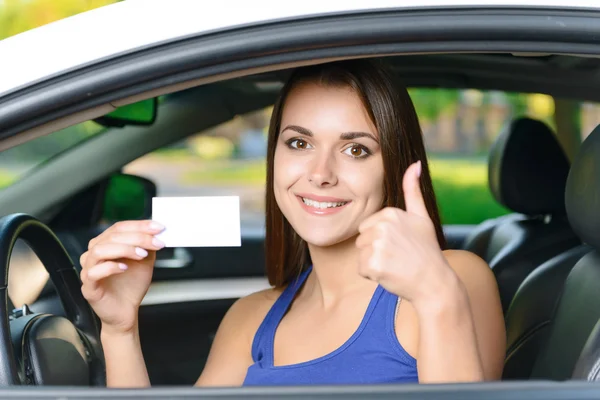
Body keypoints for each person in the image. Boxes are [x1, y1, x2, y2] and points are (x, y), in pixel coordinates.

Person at [80, 59, 506, 387]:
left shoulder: (452, 280)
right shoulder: (249, 319)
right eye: (299, 143)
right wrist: (119, 331)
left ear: (394, 166)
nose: (320, 173)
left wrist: (435, 295)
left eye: (356, 150)